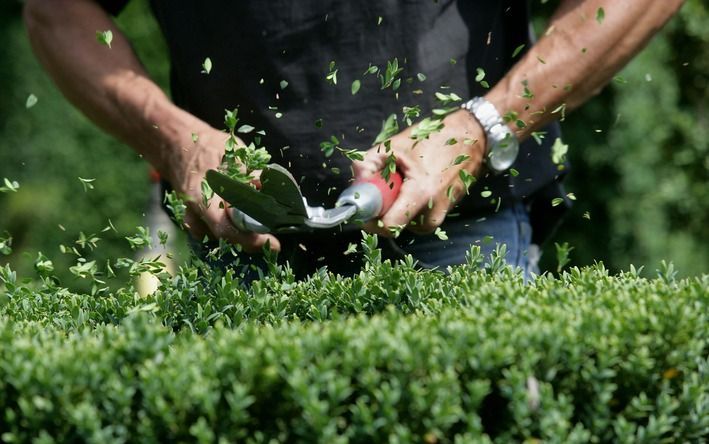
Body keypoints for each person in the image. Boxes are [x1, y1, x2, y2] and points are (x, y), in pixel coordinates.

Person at [23, 0, 684, 279]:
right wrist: (174, 138)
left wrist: (480, 126)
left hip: (458, 236)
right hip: (241, 241)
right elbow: (56, 9)